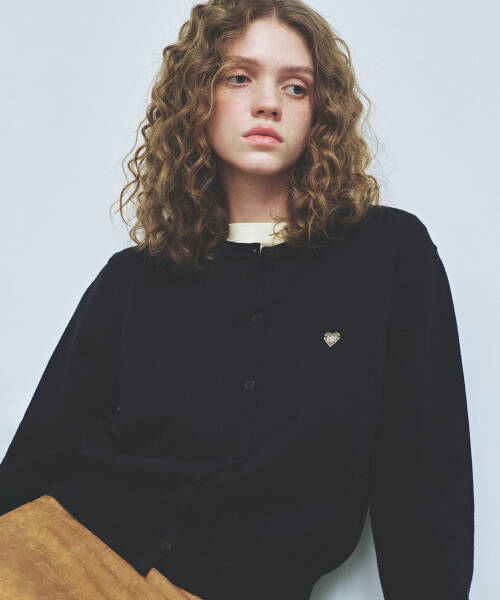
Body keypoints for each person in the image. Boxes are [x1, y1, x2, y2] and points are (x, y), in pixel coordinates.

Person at [0, 1, 474, 599]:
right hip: (54, 550)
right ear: (198, 98)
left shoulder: (387, 253)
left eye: (296, 87)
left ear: (320, 113)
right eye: (239, 77)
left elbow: (425, 470)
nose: (268, 103)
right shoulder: (135, 277)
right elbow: (39, 453)